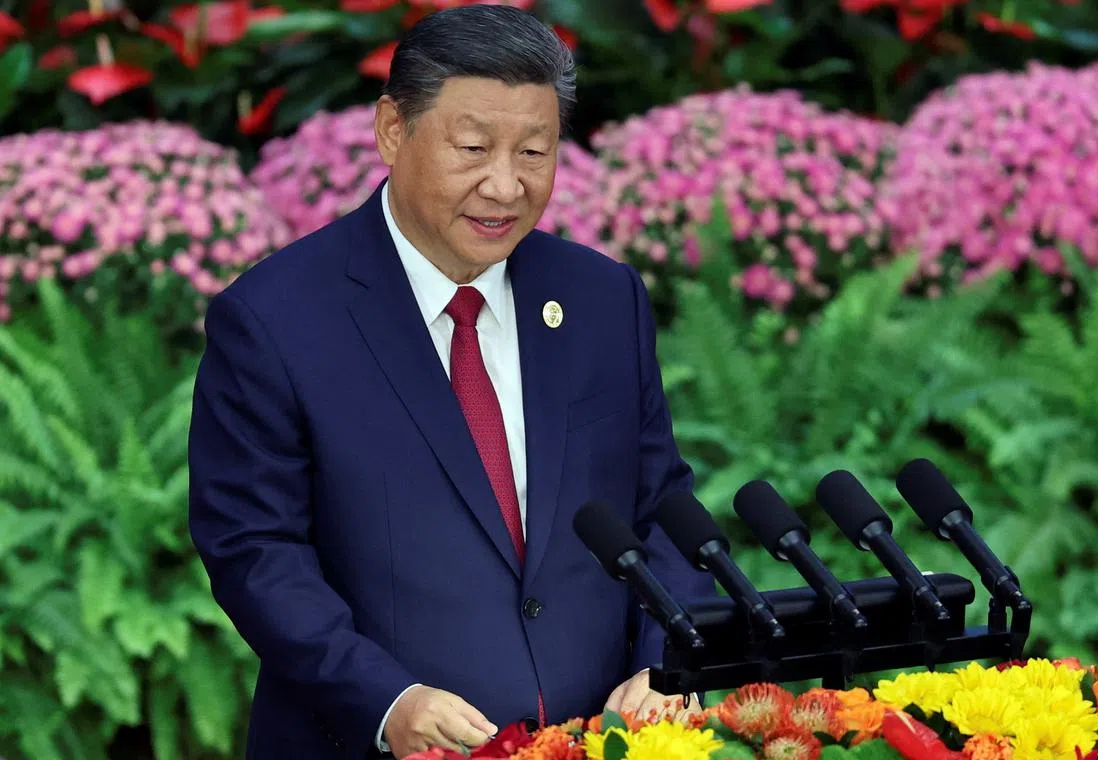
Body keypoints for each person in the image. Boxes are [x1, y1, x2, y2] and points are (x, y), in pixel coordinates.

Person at [187, 5, 716, 758]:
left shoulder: (603, 299)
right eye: (472, 148)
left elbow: (663, 510)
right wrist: (386, 700)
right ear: (393, 131)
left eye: (534, 152)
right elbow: (254, 552)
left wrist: (667, 658)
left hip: (599, 741)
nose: (505, 186)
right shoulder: (274, 320)